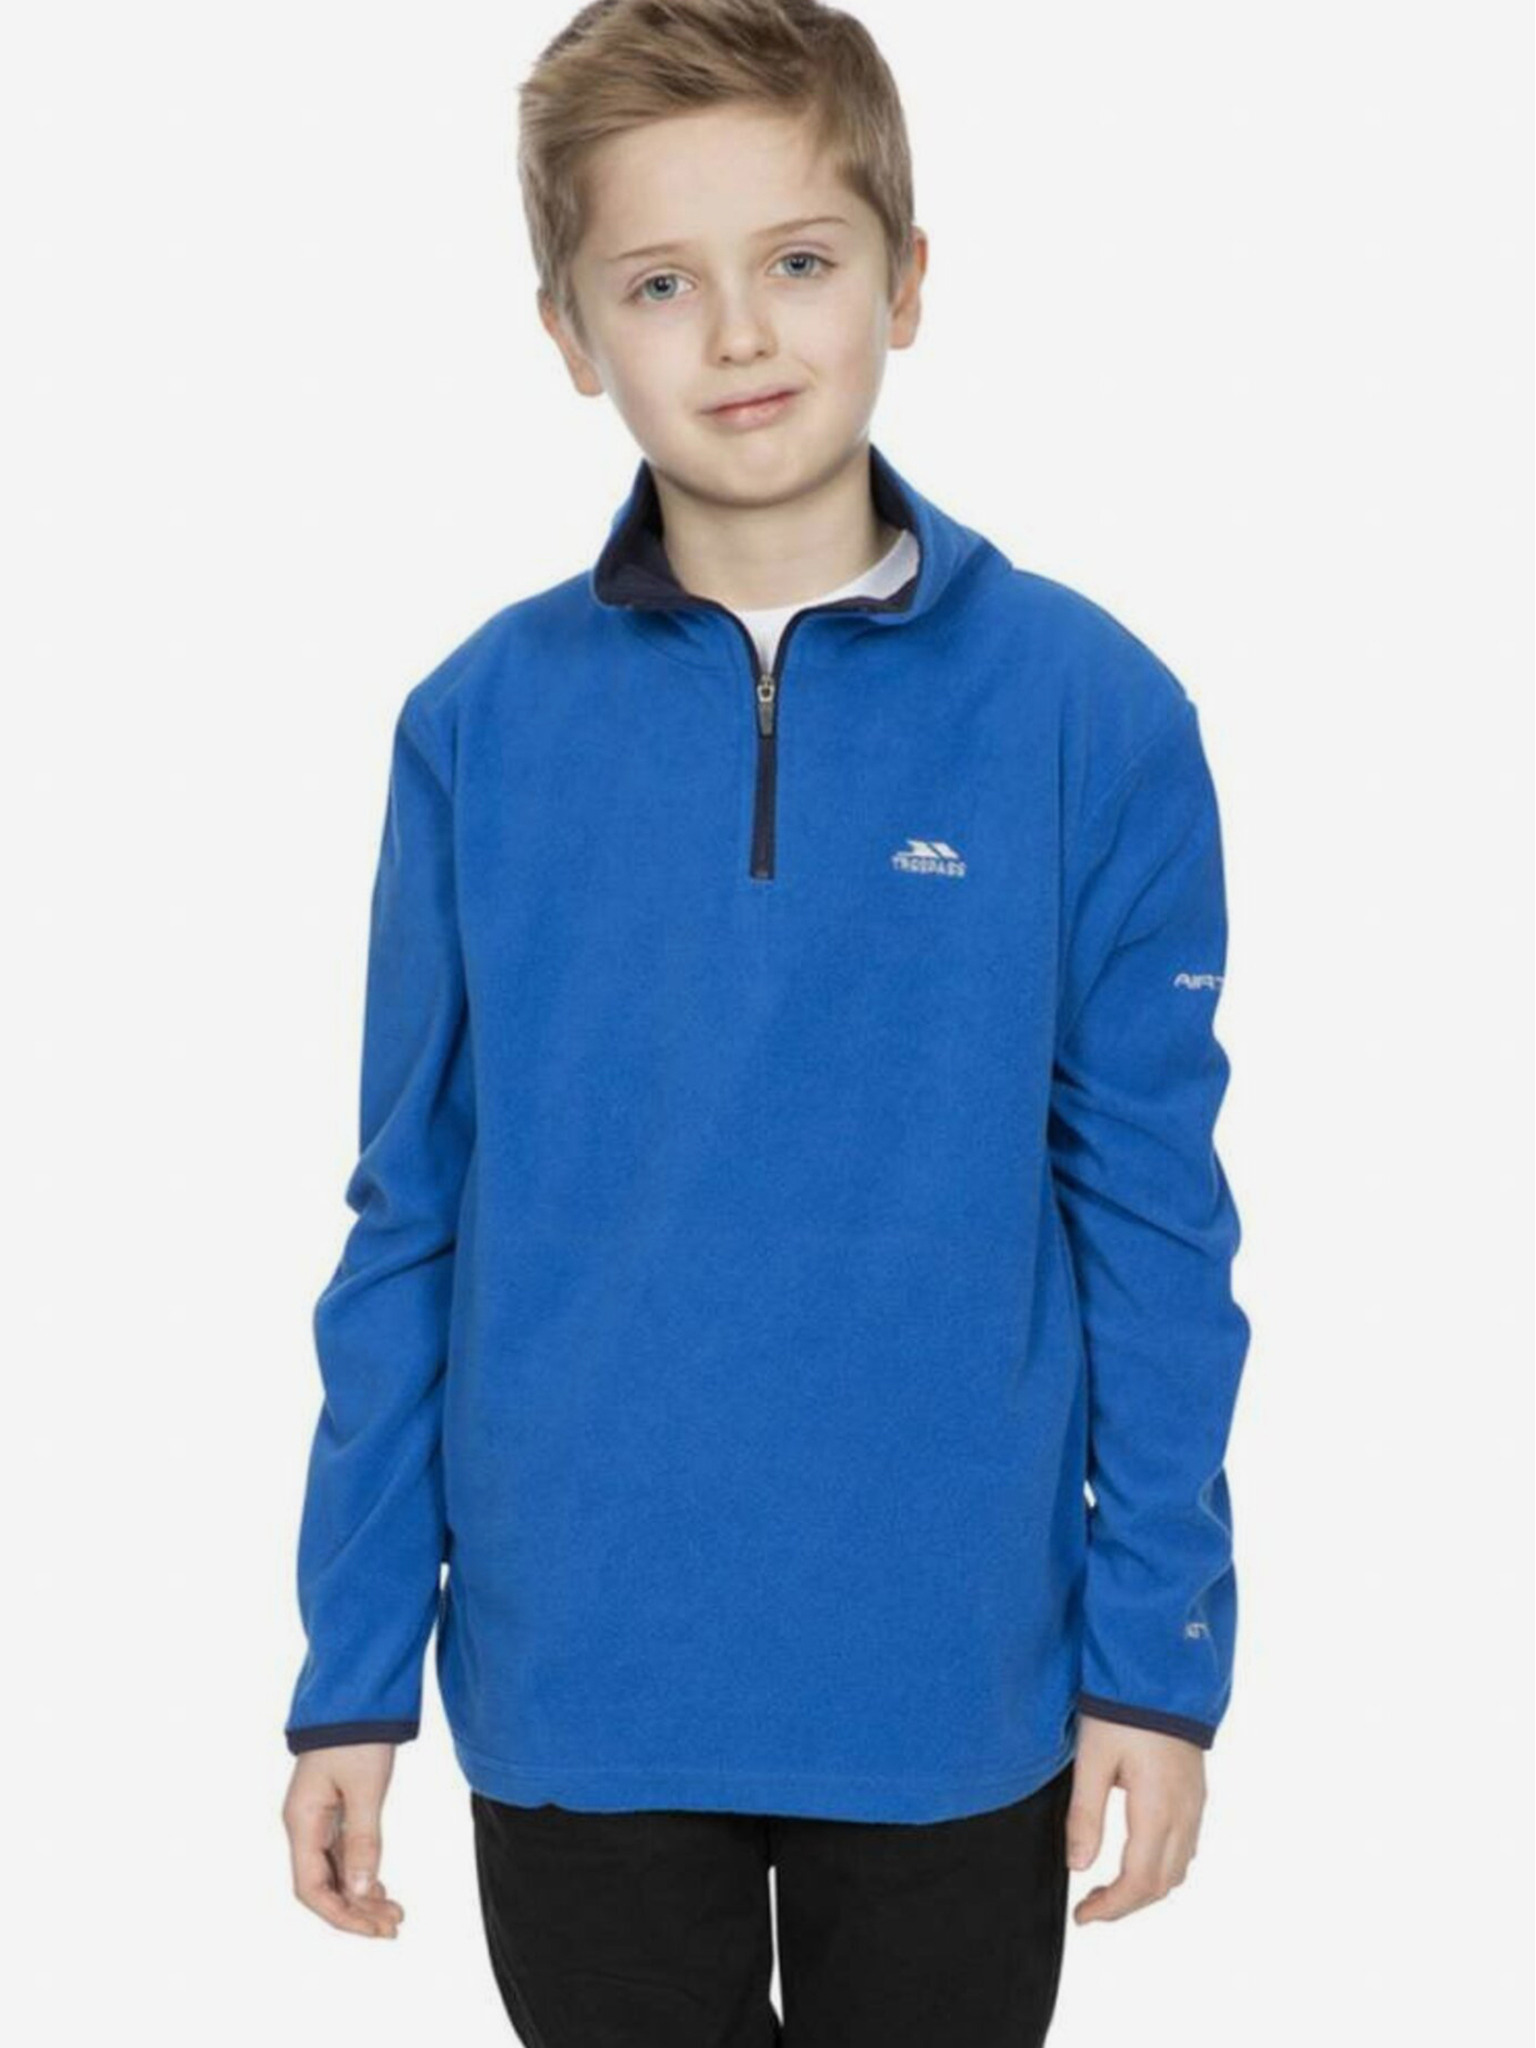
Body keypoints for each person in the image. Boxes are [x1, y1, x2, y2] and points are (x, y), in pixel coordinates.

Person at [279, 3, 1252, 2041]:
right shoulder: (476, 725)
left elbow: (1156, 1222)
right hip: (578, 1678)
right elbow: (409, 1215)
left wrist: (1157, 1658)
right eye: (658, 282)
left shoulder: (1093, 711)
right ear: (570, 332)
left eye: (799, 259)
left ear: (908, 278)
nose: (738, 334)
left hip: (955, 1676)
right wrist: (353, 1671)